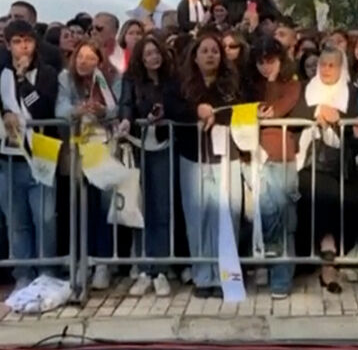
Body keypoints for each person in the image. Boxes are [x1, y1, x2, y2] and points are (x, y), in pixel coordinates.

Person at [163, 32, 244, 298]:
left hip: (226, 157)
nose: (210, 55)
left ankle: (227, 277)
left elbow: (241, 109)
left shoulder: (232, 84)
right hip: (193, 158)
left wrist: (215, 112)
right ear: (195, 57)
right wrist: (196, 110)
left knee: (227, 217)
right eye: (205, 51)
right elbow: (171, 107)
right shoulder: (180, 85)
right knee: (198, 219)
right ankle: (203, 277)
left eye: (215, 51)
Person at [0, 19, 60, 292]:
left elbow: (43, 108)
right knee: (17, 221)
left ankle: (47, 270)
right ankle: (23, 272)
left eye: (28, 41)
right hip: (8, 156)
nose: (23, 47)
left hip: (40, 153)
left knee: (45, 218)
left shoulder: (47, 73)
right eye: (17, 42)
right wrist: (3, 113)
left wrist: (22, 82)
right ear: (8, 45)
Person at [292, 48, 358, 293]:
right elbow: (294, 113)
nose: (326, 69)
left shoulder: (352, 92)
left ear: (341, 67)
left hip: (342, 164)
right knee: (319, 193)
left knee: (340, 197)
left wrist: (336, 117)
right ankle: (327, 255)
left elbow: (357, 123)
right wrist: (317, 111)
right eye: (323, 64)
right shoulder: (305, 88)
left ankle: (328, 255)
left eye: (332, 65)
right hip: (307, 162)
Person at [55, 40, 119, 290]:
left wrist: (102, 111)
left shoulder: (106, 79)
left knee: (102, 206)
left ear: (99, 62)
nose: (84, 62)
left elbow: (116, 109)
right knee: (80, 207)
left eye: (91, 58)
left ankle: (102, 263)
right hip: (76, 150)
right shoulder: (65, 78)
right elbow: (59, 109)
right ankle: (83, 261)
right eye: (81, 56)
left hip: (102, 147)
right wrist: (77, 110)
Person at [116, 34, 174, 297]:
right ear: (141, 58)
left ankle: (160, 270)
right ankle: (143, 269)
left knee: (161, 208)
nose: (154, 57)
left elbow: (177, 105)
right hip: (138, 147)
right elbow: (126, 105)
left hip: (163, 147)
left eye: (156, 52)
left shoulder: (171, 79)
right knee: (140, 208)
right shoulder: (131, 79)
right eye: (148, 54)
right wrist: (127, 120)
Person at [249, 37, 302, 299]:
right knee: (266, 213)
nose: (265, 66)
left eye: (270, 60)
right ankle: (269, 265)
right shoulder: (251, 85)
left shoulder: (291, 84)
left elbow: (274, 110)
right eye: (260, 62)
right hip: (254, 154)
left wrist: (271, 81)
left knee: (284, 215)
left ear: (280, 60)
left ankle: (281, 279)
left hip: (281, 155)